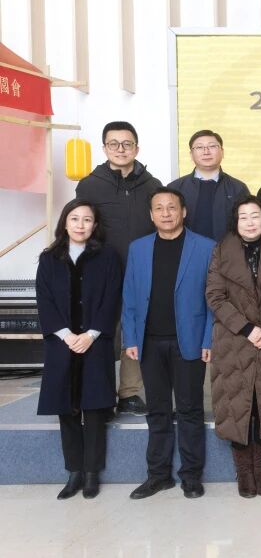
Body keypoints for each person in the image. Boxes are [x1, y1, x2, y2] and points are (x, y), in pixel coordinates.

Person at [122, 187, 215, 500]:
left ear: (183, 212)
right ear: (151, 215)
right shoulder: (138, 248)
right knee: (157, 410)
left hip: (189, 341)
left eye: (172, 207)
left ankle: (191, 476)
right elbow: (129, 296)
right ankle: (158, 475)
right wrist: (131, 337)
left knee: (190, 409)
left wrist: (208, 338)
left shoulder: (206, 247)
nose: (166, 213)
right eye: (159, 208)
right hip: (149, 342)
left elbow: (214, 299)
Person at [36, 200, 123, 500]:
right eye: (74, 218)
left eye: (87, 219)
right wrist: (66, 335)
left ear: (95, 225)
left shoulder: (107, 256)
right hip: (62, 344)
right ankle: (74, 471)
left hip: (95, 342)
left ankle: (91, 474)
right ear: (65, 222)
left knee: (95, 409)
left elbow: (112, 297)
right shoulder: (49, 258)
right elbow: (44, 300)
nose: (80, 225)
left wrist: (91, 334)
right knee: (67, 409)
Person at [75, 121, 161, 417]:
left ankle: (129, 392)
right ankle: (100, 393)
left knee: (135, 330)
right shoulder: (89, 185)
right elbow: (81, 226)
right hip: (101, 272)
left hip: (141, 271)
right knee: (100, 330)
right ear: (104, 148)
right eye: (114, 144)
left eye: (127, 144)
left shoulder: (152, 185)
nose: (121, 149)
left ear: (137, 147)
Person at [205, 195, 261, 498]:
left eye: (255, 216)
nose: (250, 222)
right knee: (237, 406)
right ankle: (244, 472)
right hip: (234, 339)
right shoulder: (221, 250)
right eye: (243, 217)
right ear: (235, 221)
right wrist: (247, 329)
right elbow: (215, 296)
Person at [169, 129, 251, 242]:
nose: (206, 152)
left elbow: (247, 225)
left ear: (222, 152)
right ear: (191, 154)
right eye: (199, 147)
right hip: (185, 250)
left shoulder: (238, 188)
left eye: (212, 146)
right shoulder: (175, 188)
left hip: (227, 251)